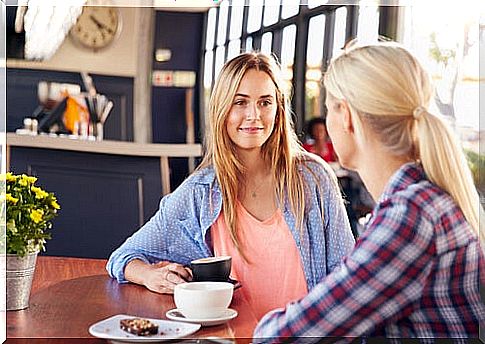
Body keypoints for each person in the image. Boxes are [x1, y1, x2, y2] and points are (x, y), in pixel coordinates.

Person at [254, 42, 485, 339]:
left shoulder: (410, 216)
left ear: (346, 116)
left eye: (328, 110)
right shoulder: (422, 200)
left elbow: (283, 336)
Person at [107, 52, 355, 320]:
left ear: (279, 109)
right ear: (222, 109)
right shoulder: (200, 192)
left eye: (265, 102)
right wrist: (149, 275)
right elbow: (123, 256)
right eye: (240, 102)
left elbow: (348, 278)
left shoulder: (313, 178)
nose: (254, 116)